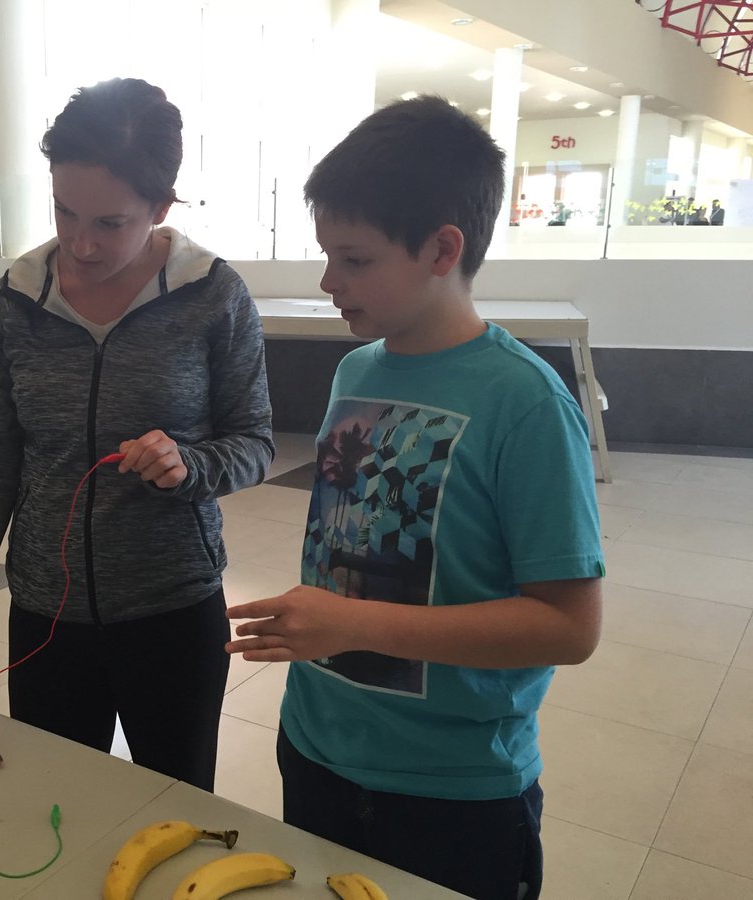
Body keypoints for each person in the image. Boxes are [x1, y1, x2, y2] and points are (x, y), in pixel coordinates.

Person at [225, 95, 604, 900]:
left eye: (355, 260)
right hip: (317, 750)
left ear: (442, 248)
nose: (330, 281)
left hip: (455, 792)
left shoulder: (527, 404)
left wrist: (352, 623)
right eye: (326, 255)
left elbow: (569, 627)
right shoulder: (356, 371)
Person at [0, 78, 275, 792]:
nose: (80, 243)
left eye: (110, 223)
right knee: (54, 805)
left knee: (177, 810)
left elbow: (256, 441)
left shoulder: (213, 295)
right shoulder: (13, 303)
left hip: (173, 611)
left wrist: (191, 466)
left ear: (161, 208)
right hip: (46, 615)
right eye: (63, 211)